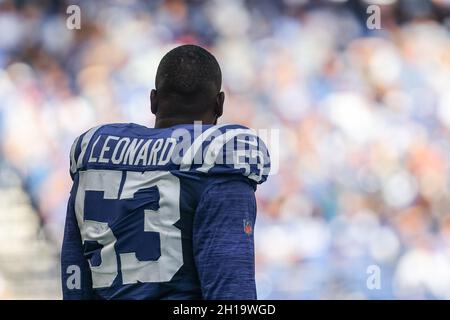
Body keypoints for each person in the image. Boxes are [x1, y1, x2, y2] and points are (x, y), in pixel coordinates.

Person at [60, 44, 270, 299]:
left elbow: (74, 275)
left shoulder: (93, 151)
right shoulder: (221, 154)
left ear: (153, 100)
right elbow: (231, 292)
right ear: (219, 104)